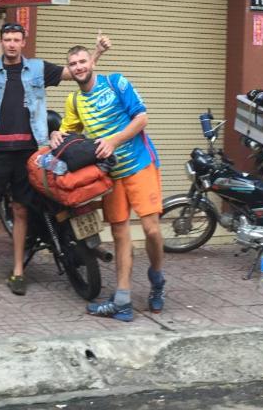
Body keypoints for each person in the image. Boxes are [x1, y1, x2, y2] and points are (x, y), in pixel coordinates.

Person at [0, 22, 110, 295]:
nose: (11, 44)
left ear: (23, 41)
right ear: (1, 41)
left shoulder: (39, 69)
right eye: (7, 39)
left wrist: (97, 52)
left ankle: (18, 271)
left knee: (21, 210)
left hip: (29, 152)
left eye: (16, 39)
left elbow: (76, 72)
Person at [50, 46, 164, 322]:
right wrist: (56, 133)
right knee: (120, 234)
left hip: (140, 164)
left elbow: (141, 118)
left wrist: (114, 141)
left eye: (82, 61)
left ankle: (157, 276)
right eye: (73, 63)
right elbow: (69, 132)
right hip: (110, 175)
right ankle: (123, 300)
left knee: (150, 229)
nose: (78, 67)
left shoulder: (116, 82)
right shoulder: (75, 101)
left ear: (92, 62)